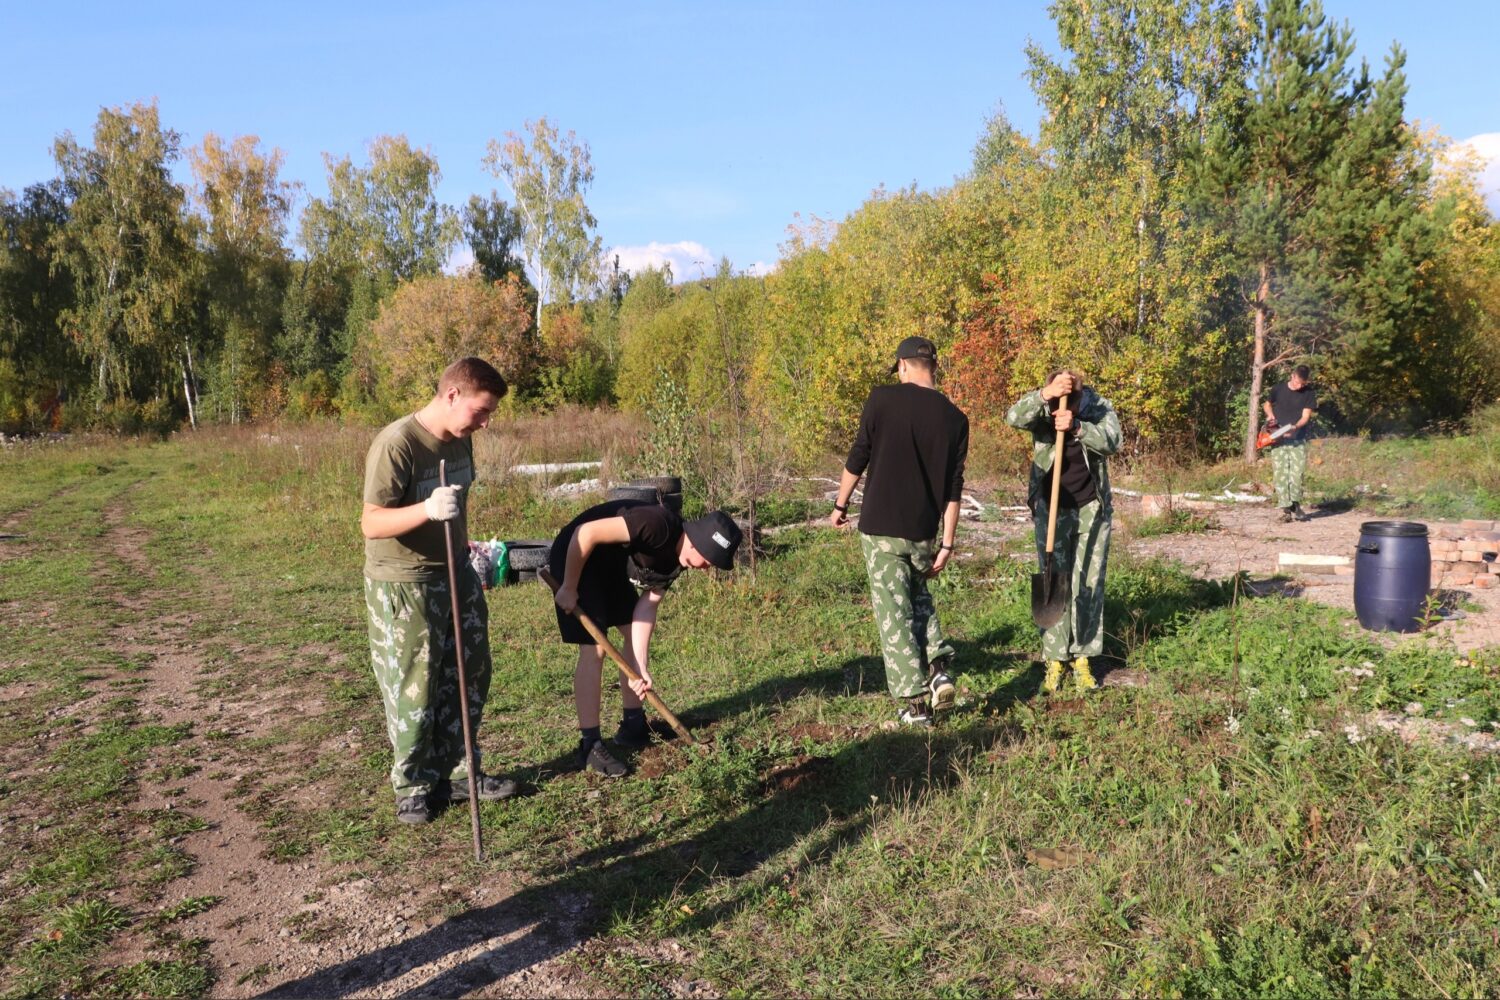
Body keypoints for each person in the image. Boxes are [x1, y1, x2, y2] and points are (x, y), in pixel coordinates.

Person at [360, 357, 517, 825]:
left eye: (489, 414)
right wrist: (427, 509)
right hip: (406, 582)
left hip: (456, 572)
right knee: (415, 684)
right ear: (452, 396)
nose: (485, 423)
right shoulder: (397, 445)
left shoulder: (461, 441)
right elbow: (371, 522)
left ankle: (459, 773)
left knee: (470, 671)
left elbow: (454, 506)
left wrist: (462, 538)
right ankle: (413, 785)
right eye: (481, 411)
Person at [831, 336, 970, 727]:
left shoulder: (881, 399)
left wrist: (841, 505)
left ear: (903, 366)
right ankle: (939, 666)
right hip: (924, 531)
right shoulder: (956, 419)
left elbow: (859, 456)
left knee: (894, 611)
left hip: (881, 528)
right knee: (917, 595)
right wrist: (947, 542)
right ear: (933, 368)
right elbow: (954, 488)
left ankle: (915, 705)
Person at [550, 499, 742, 777]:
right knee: (595, 649)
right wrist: (568, 586)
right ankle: (589, 745)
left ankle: (633, 726)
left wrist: (639, 668)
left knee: (629, 629)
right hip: (576, 555)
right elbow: (586, 534)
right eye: (709, 559)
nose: (707, 567)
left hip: (609, 567)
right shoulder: (658, 526)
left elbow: (646, 608)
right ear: (697, 542)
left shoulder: (679, 561)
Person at [1005, 369, 1121, 694]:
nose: (1061, 407)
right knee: (1053, 579)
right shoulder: (1044, 404)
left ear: (1081, 397)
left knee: (1089, 580)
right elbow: (1013, 417)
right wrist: (1044, 395)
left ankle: (1082, 656)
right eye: (1056, 399)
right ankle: (1055, 658)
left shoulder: (1097, 406)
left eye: (1068, 399)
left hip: (1090, 507)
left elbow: (1114, 440)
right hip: (1051, 506)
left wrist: (1078, 427)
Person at [1263, 364, 1317, 522]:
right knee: (1280, 473)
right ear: (1292, 376)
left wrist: (1295, 427)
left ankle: (1296, 505)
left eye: (1303, 383)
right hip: (1278, 438)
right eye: (1298, 382)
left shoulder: (1309, 393)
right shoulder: (1278, 389)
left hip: (1297, 439)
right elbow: (1267, 404)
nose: (1300, 386)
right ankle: (1285, 509)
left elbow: (1306, 416)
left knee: (1297, 473)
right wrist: (1270, 415)